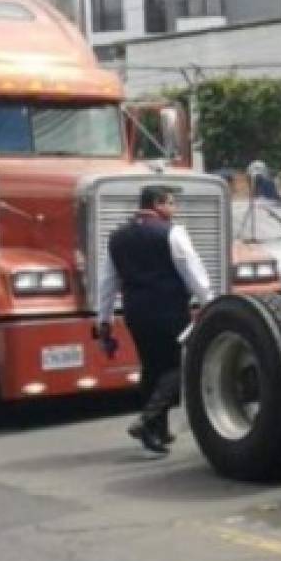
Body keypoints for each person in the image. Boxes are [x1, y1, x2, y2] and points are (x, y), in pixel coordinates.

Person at [95, 184, 213, 456]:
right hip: (169, 309)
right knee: (177, 367)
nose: (174, 209)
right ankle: (147, 420)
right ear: (158, 204)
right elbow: (191, 269)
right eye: (171, 203)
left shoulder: (117, 237)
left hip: (136, 312)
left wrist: (105, 319)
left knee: (151, 367)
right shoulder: (172, 232)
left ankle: (156, 434)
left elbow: (107, 282)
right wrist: (209, 302)